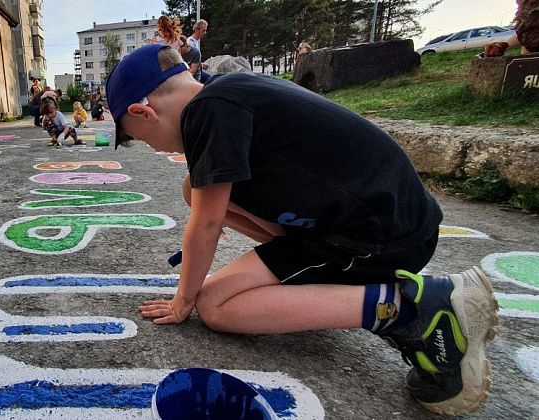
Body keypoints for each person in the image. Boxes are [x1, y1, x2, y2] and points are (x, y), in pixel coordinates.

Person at [107, 45, 498, 416]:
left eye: (140, 139)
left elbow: (205, 225)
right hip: (371, 219)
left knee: (214, 306)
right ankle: (313, 268)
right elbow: (206, 202)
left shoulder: (209, 113)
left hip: (380, 236)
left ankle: (411, 309)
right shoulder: (224, 94)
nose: (155, 148)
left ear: (144, 112)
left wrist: (182, 302)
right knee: (194, 188)